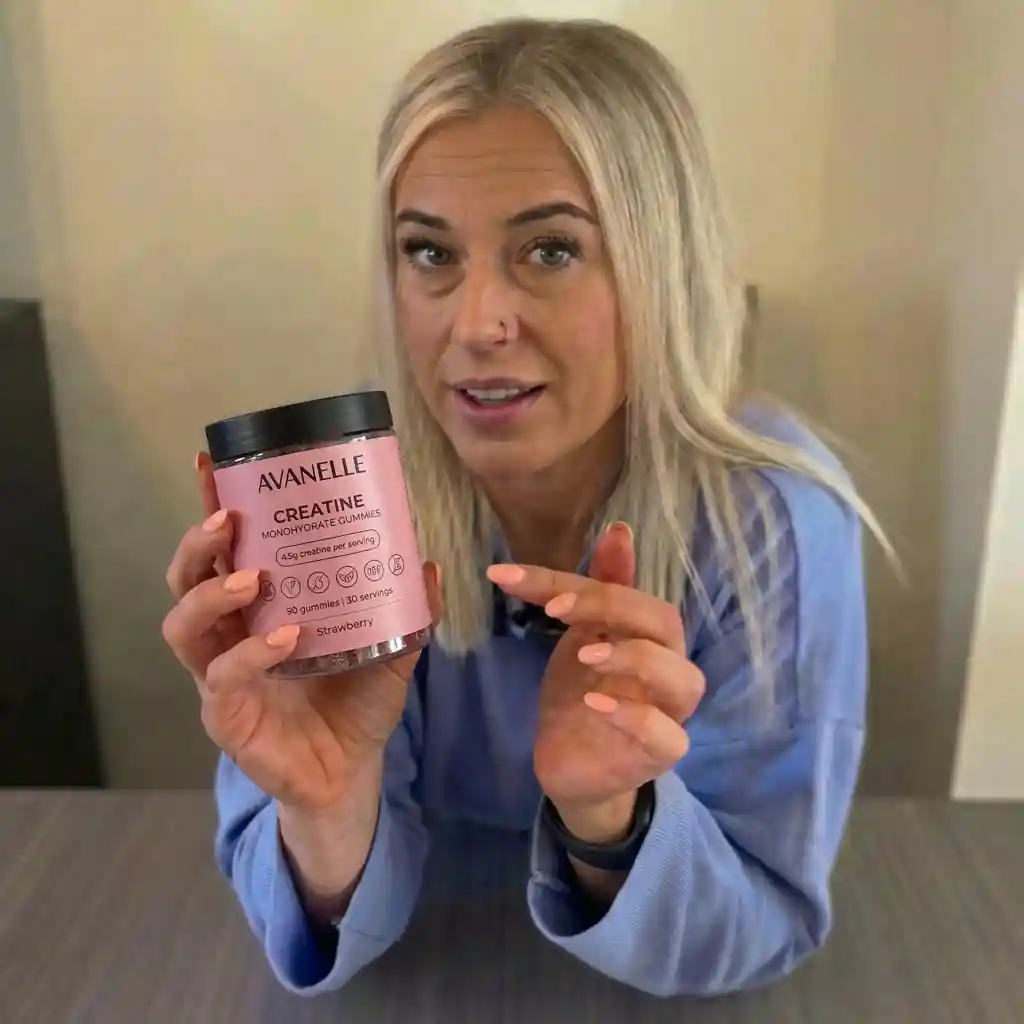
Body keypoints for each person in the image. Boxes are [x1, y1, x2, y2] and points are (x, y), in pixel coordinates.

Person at [163, 17, 884, 999]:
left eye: (549, 250)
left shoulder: (773, 524)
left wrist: (607, 823)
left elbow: (761, 920)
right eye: (429, 252)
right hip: (427, 969)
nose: (476, 324)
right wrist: (326, 809)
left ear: (660, 266)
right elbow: (316, 929)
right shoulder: (337, 508)